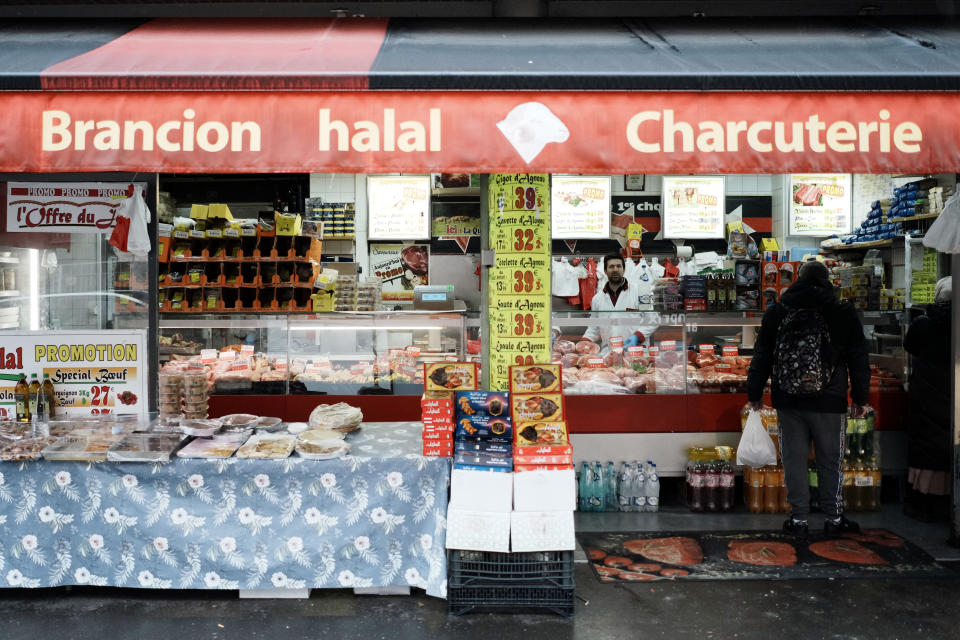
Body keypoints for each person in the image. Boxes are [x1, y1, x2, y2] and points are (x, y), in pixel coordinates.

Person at [746, 260, 870, 537]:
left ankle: (798, 519)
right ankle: (834, 517)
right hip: (830, 400)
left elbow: (762, 355)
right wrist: (860, 398)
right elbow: (858, 358)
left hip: (788, 400)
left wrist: (754, 394)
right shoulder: (841, 311)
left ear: (796, 280)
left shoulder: (778, 310)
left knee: (793, 460)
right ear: (827, 280)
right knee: (830, 460)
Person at [903, 276, 952, 522]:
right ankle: (950, 500)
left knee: (925, 442)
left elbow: (909, 346)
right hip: (953, 388)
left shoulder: (923, 323)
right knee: (948, 442)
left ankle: (922, 500)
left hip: (925, 389)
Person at [583, 252, 658, 351]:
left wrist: (638, 336)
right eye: (611, 267)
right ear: (605, 271)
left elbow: (653, 320)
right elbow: (594, 327)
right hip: (609, 353)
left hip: (635, 351)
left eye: (619, 266)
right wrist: (584, 342)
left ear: (624, 269)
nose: (615, 270)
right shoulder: (597, 299)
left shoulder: (640, 292)